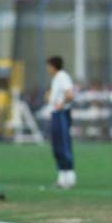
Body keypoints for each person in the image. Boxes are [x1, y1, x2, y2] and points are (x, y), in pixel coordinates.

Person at [46, 56, 76, 189]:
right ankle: (61, 177)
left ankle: (69, 177)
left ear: (53, 66)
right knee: (57, 146)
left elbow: (69, 94)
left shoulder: (62, 76)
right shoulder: (57, 78)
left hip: (61, 114)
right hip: (55, 113)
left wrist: (61, 104)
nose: (48, 69)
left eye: (48, 66)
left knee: (63, 145)